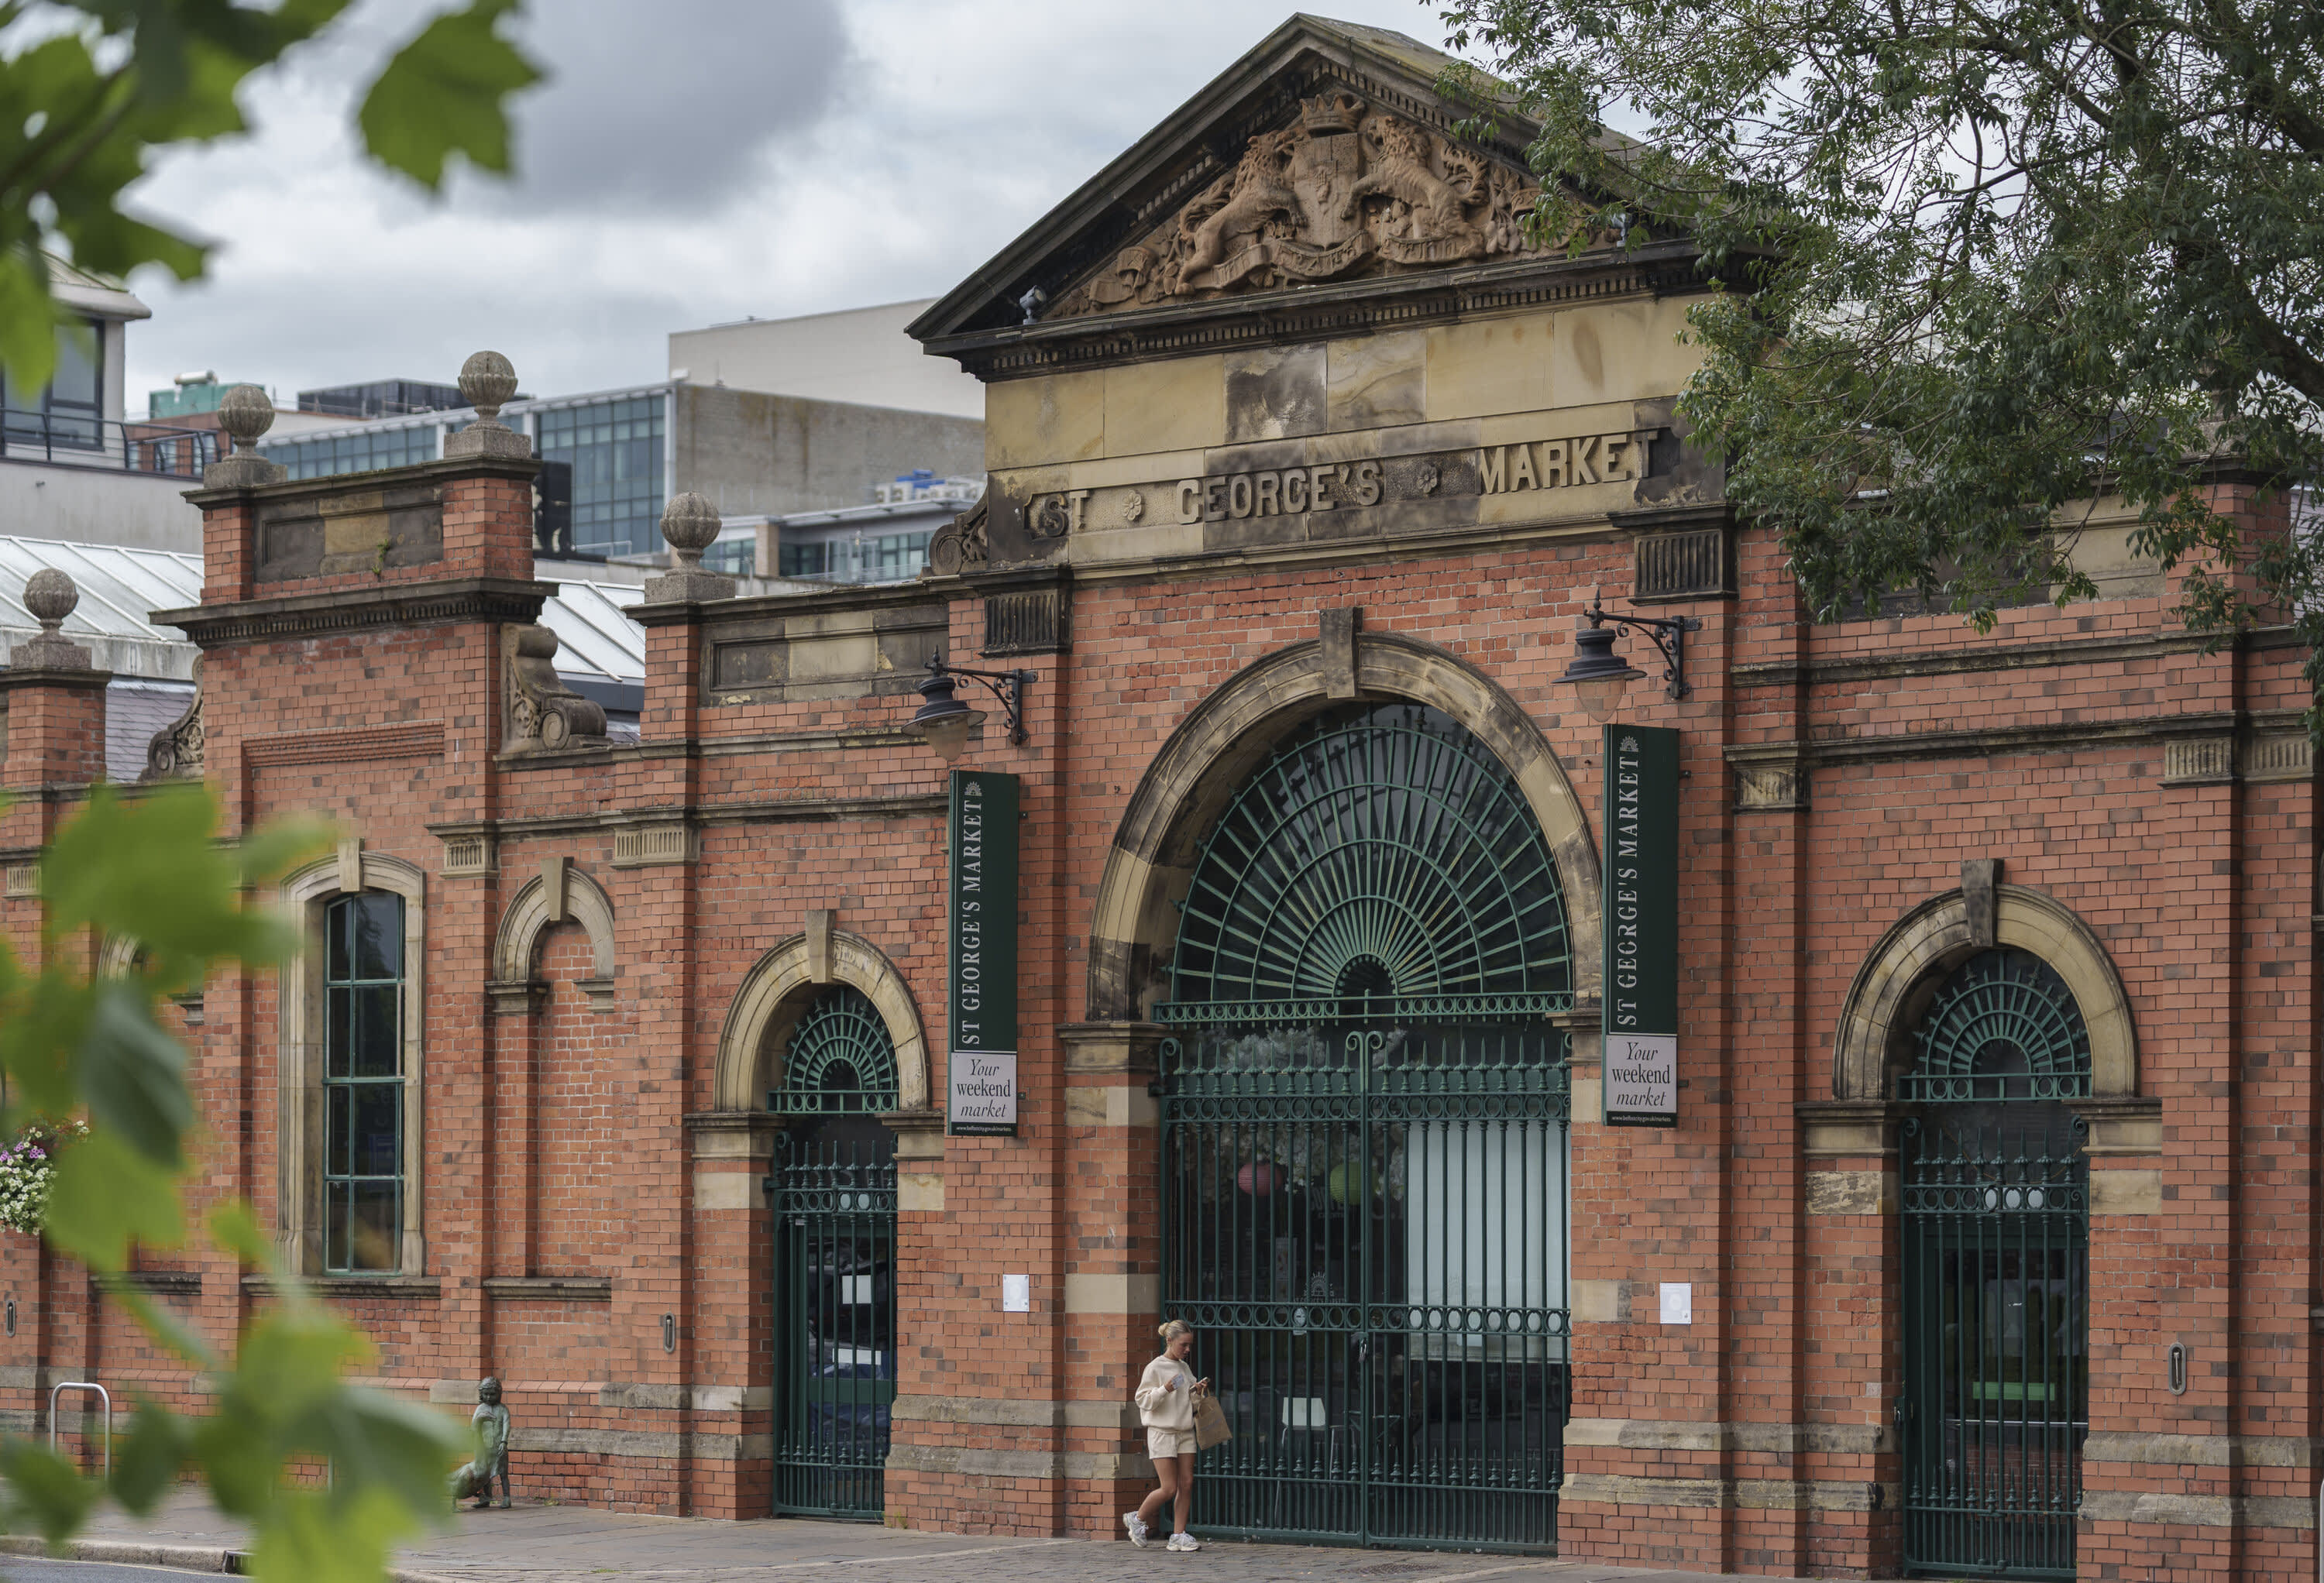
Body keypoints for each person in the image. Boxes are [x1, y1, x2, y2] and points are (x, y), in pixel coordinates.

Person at [1126, 1319, 1208, 1552]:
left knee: (1187, 1483)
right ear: (1169, 1341)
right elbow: (1142, 1400)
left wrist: (1197, 1391)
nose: (1188, 1350)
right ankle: (1137, 1518)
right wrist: (1165, 1389)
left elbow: (1190, 1403)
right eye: (1184, 1345)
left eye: (1190, 1345)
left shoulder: (1184, 1368)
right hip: (1162, 1432)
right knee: (1169, 1488)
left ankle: (1178, 1535)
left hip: (1184, 1431)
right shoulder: (1155, 1367)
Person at [449, 1376, 511, 1509]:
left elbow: (507, 1425)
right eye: (486, 1394)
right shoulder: (480, 1409)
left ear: (498, 1394)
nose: (489, 1397)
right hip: (485, 1448)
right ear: (482, 1394)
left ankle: (507, 1497)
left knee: (503, 1473)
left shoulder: (503, 1409)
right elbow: (474, 1427)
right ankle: (487, 1498)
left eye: (492, 1394)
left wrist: (504, 1441)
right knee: (485, 1476)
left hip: (499, 1447)